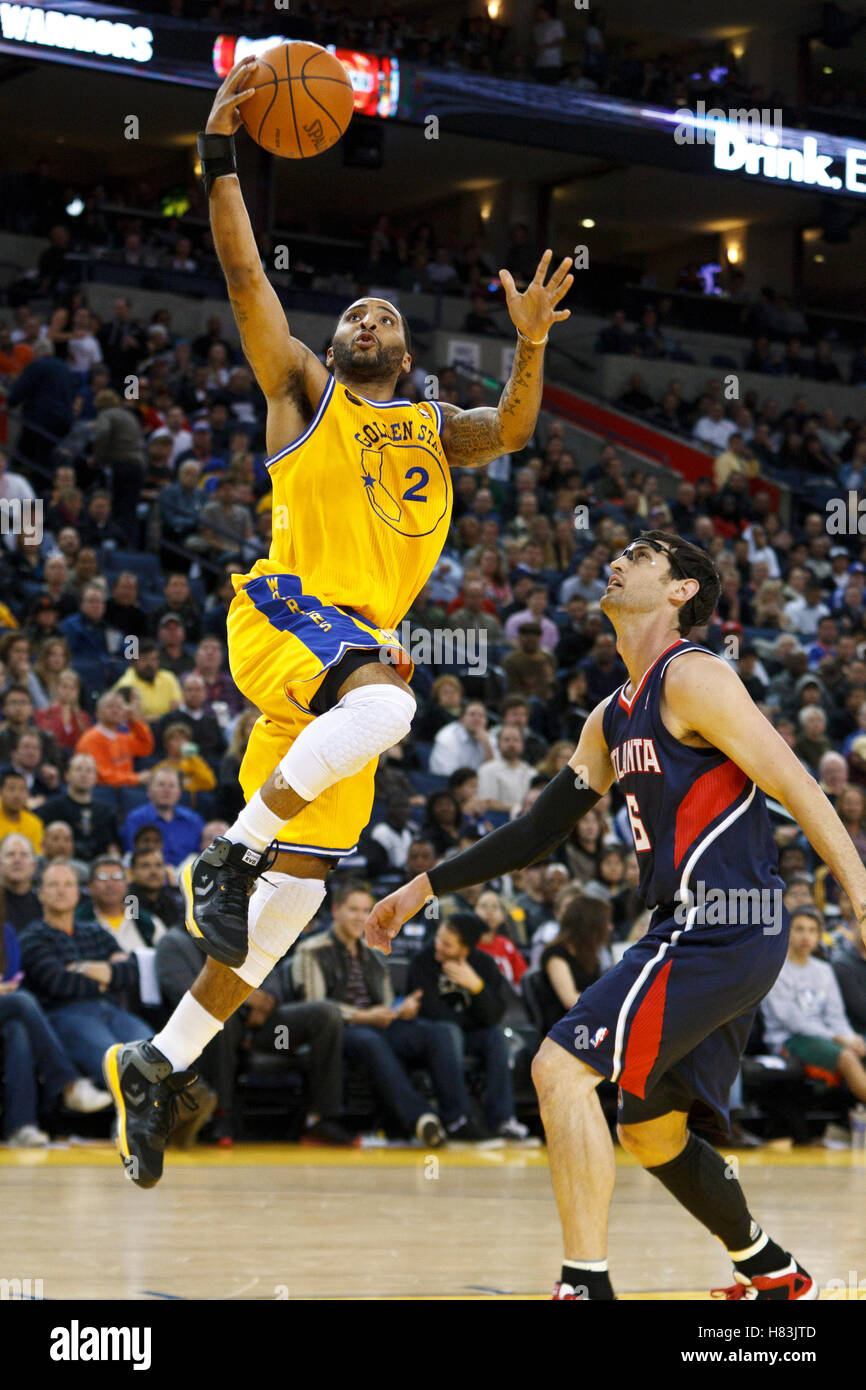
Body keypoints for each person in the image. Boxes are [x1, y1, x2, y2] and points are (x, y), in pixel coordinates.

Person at [103, 55, 574, 1191]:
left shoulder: (432, 423)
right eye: (350, 312)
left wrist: (532, 341)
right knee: (390, 702)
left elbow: (510, 429)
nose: (360, 319)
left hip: (343, 677)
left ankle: (155, 1065)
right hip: (291, 615)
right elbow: (241, 277)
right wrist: (218, 156)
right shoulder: (303, 389)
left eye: (380, 315)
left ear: (404, 352)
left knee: (290, 906)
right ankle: (225, 848)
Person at [367, 528, 866, 1301]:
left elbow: (795, 781)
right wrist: (425, 886)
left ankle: (583, 1287)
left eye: (644, 553)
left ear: (682, 590)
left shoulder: (694, 676)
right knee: (651, 1129)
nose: (620, 558)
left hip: (725, 921)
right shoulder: (609, 715)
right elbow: (539, 831)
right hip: (700, 930)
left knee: (558, 1068)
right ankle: (772, 1272)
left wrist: (859, 892)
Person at [17, 861, 153, 1082]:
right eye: (53, 884)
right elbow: (59, 983)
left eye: (68, 884)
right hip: (66, 1015)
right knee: (119, 1067)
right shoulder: (32, 937)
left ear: (78, 893)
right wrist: (107, 976)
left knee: (155, 1053)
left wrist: (82, 968)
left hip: (111, 1011)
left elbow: (130, 972)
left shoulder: (95, 931)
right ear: (40, 894)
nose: (61, 890)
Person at [407, 912, 529, 1140]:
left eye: (447, 944)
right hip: (432, 1037)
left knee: (495, 1037)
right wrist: (469, 1020)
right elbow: (430, 1011)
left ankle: (502, 1119)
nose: (438, 946)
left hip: (468, 1036)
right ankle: (459, 1118)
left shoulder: (484, 965)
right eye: (438, 939)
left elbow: (494, 1015)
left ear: (466, 950)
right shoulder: (423, 961)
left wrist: (476, 987)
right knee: (449, 1032)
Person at [761, 908, 866, 1099]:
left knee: (858, 1048)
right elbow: (794, 1023)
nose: (806, 936)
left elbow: (836, 1016)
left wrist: (851, 1038)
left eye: (812, 930)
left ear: (819, 935)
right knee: (847, 1058)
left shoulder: (824, 970)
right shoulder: (774, 970)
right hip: (789, 1039)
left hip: (826, 1037)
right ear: (787, 932)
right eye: (799, 929)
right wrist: (839, 1039)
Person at [39, 751, 120, 860]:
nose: (84, 774)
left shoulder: (106, 812)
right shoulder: (51, 808)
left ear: (96, 777)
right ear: (67, 775)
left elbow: (113, 847)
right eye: (78, 769)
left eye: (89, 770)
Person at [121, 768, 204, 869]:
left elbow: (203, 852)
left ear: (179, 793)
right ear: (149, 791)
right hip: (151, 874)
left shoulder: (193, 820)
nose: (166, 790)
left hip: (188, 876)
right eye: (161, 785)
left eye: (172, 786)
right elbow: (133, 854)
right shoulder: (135, 819)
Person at [75, 691, 154, 787]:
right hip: (104, 791)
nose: (115, 710)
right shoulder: (90, 739)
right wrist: (136, 779)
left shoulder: (122, 737)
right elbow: (102, 776)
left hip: (126, 789)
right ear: (98, 712)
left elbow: (146, 748)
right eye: (110, 706)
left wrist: (134, 721)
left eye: (119, 707)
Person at [0, 832, 41, 931]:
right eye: (10, 854)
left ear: (34, 866)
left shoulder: (44, 904)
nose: (17, 860)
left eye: (24, 855)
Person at [0, 768, 43, 851]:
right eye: (11, 789)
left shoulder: (35, 823)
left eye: (22, 790)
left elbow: (36, 857)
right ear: (1, 792)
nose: (17, 795)